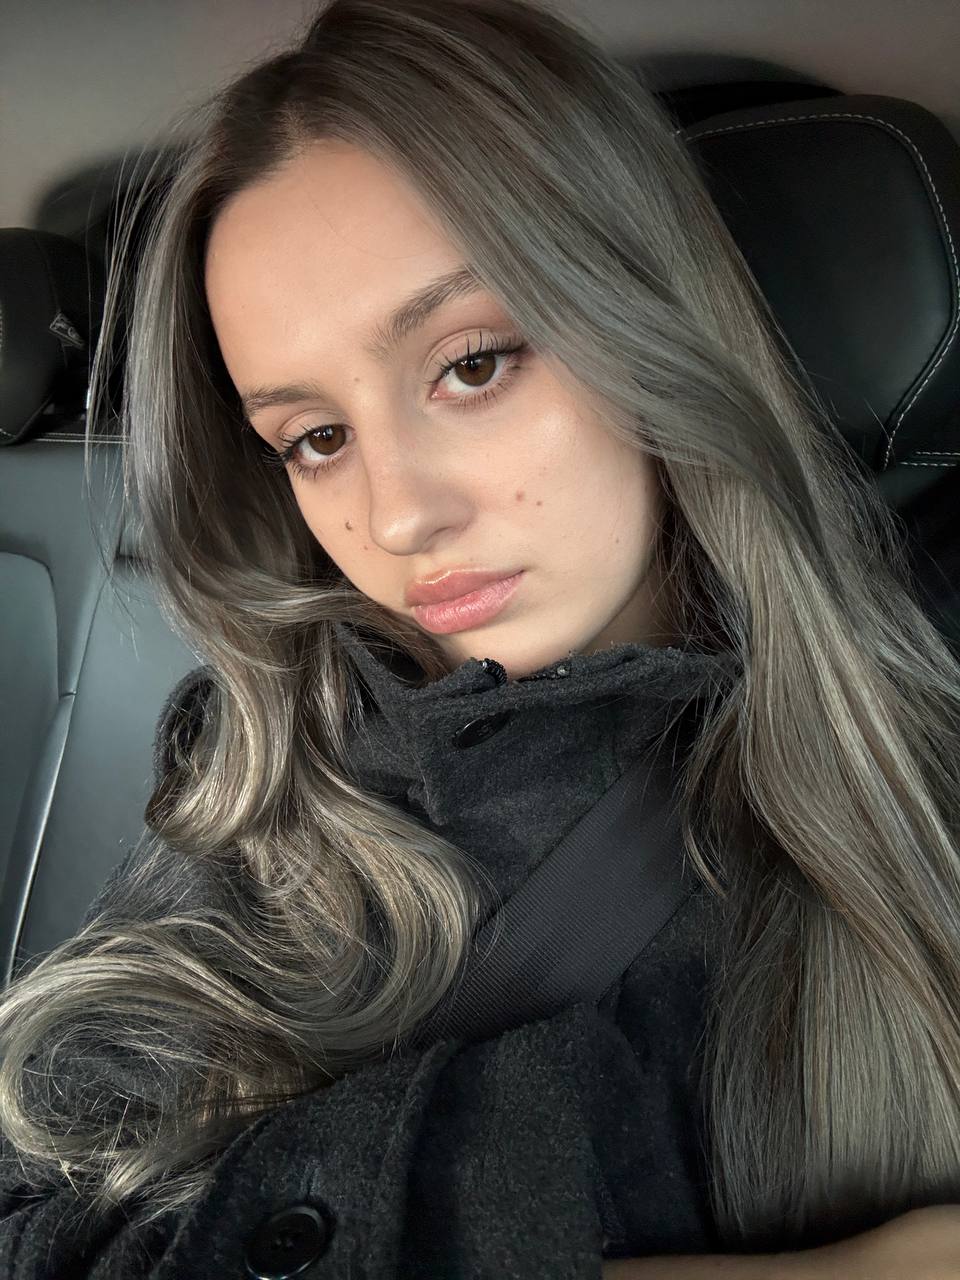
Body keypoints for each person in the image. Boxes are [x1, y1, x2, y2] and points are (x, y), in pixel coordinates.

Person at [2, 0, 960, 1275]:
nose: (399, 515)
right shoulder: (262, 759)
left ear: (650, 312)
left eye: (472, 364)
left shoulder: (924, 753)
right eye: (315, 437)